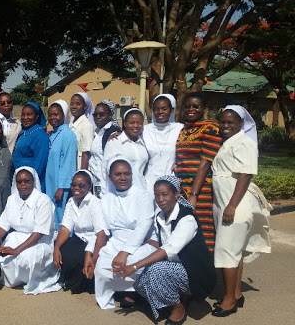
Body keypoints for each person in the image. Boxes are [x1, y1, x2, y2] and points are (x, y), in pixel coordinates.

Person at [117, 176, 216, 324]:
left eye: (165, 194)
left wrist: (135, 266)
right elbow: (166, 242)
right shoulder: (161, 217)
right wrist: (149, 242)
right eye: (157, 195)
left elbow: (169, 248)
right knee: (141, 282)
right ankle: (174, 298)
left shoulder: (186, 219)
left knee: (155, 271)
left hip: (195, 273)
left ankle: (178, 307)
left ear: (176, 195)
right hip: (176, 266)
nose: (160, 199)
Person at [210, 106, 271, 317]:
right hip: (223, 202)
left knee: (227, 251)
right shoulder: (228, 142)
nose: (225, 126)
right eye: (223, 122)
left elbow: (245, 175)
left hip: (234, 203)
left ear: (240, 124)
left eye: (230, 122)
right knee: (234, 250)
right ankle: (235, 293)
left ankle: (228, 301)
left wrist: (232, 205)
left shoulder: (244, 143)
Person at [0, 167, 61, 295]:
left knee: (26, 257)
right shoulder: (12, 199)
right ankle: (16, 280)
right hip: (17, 237)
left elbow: (39, 232)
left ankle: (32, 280)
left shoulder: (43, 201)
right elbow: (3, 226)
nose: (23, 185)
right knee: (3, 255)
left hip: (39, 241)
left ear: (34, 181)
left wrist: (17, 250)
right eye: (19, 182)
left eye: (27, 181)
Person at [94, 158, 156, 309]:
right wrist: (92, 253)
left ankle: (137, 292)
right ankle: (127, 290)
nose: (123, 178)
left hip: (142, 241)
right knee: (101, 268)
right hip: (115, 242)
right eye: (118, 174)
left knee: (132, 262)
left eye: (127, 174)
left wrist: (124, 252)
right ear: (110, 177)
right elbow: (103, 230)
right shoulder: (106, 199)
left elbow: (143, 227)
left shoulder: (143, 196)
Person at [175, 92, 222, 252]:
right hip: (182, 189)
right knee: (186, 229)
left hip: (201, 189)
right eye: (187, 106)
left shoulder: (211, 128)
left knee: (203, 228)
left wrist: (194, 195)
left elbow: (205, 162)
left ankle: (209, 272)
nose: (191, 109)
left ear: (204, 109)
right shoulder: (184, 129)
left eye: (196, 106)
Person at [53, 170, 107, 294]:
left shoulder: (95, 203)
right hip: (78, 238)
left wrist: (93, 258)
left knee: (76, 256)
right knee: (61, 249)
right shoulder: (71, 201)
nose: (76, 188)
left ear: (89, 187)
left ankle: (85, 283)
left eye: (81, 186)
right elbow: (66, 227)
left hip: (93, 240)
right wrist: (56, 248)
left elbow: (101, 234)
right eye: (73, 185)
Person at [45, 100, 77, 227]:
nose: (53, 118)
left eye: (56, 114)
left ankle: (64, 243)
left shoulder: (68, 135)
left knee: (61, 215)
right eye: (50, 114)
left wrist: (62, 187)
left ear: (63, 116)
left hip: (60, 185)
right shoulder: (54, 133)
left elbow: (68, 163)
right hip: (51, 182)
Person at [143, 94, 184, 193]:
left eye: (164, 109)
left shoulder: (180, 129)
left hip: (171, 178)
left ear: (171, 110)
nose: (160, 112)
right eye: (157, 109)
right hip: (149, 180)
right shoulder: (145, 130)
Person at [103, 108, 149, 189]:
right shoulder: (114, 142)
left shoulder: (144, 142)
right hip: (121, 192)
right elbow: (105, 170)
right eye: (132, 123)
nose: (136, 126)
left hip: (142, 190)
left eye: (139, 123)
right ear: (125, 123)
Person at [88, 100, 122, 197]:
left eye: (102, 114)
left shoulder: (113, 133)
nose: (98, 117)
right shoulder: (97, 132)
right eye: (95, 115)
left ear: (110, 115)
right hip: (96, 180)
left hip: (107, 182)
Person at [12, 102, 49, 191]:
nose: (25, 118)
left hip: (30, 183)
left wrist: (31, 181)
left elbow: (41, 162)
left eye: (29, 114)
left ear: (37, 116)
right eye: (23, 114)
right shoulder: (24, 132)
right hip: (20, 179)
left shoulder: (40, 135)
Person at [69, 92, 94, 169]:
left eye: (78, 104)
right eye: (72, 104)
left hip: (79, 167)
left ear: (85, 106)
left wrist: (82, 173)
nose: (74, 106)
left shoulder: (86, 125)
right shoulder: (70, 125)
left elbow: (86, 153)